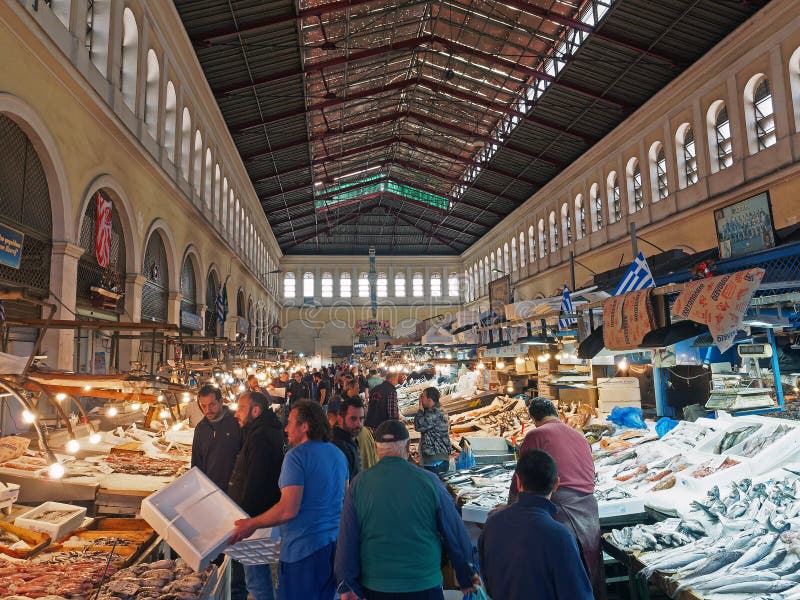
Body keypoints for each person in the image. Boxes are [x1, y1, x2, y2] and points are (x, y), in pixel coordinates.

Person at [335, 420, 479, 600]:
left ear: (375, 446)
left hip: (376, 587)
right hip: (424, 585)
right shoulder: (430, 482)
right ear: (408, 445)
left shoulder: (358, 484)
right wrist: (466, 575)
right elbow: (455, 531)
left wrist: (346, 584)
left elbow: (347, 539)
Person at [229, 400, 348, 600]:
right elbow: (345, 499)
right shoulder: (337, 454)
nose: (285, 428)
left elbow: (288, 509)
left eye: (291, 422)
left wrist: (252, 523)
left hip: (304, 552)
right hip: (333, 547)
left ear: (304, 426)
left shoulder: (296, 457)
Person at [508, 397, 603, 599]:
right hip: (589, 510)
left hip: (557, 510)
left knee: (559, 576)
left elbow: (521, 473)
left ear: (533, 418)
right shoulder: (579, 435)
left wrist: (511, 507)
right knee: (586, 570)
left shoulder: (536, 434)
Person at [479, 449, 593, 600]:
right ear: (556, 484)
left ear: (518, 482)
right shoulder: (560, 536)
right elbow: (578, 595)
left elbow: (485, 576)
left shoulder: (492, 523)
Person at [227, 391, 286, 600]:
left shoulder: (261, 436)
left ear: (256, 410)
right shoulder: (262, 431)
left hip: (253, 520)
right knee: (256, 575)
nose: (236, 414)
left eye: (241, 409)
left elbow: (257, 481)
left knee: (255, 579)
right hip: (255, 518)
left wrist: (248, 520)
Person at [191, 385, 242, 492]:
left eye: (212, 405)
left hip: (235, 488)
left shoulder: (236, 422)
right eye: (203, 406)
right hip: (211, 489)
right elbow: (196, 462)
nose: (207, 410)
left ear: (221, 401)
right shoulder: (201, 428)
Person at [413, 387, 451, 476]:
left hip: (435, 461)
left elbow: (419, 426)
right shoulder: (433, 411)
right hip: (434, 460)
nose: (420, 399)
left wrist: (420, 408)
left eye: (422, 397)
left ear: (429, 400)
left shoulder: (435, 413)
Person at [331, 397, 365, 481]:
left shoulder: (349, 441)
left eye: (361, 418)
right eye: (353, 419)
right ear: (340, 420)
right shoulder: (340, 446)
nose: (358, 424)